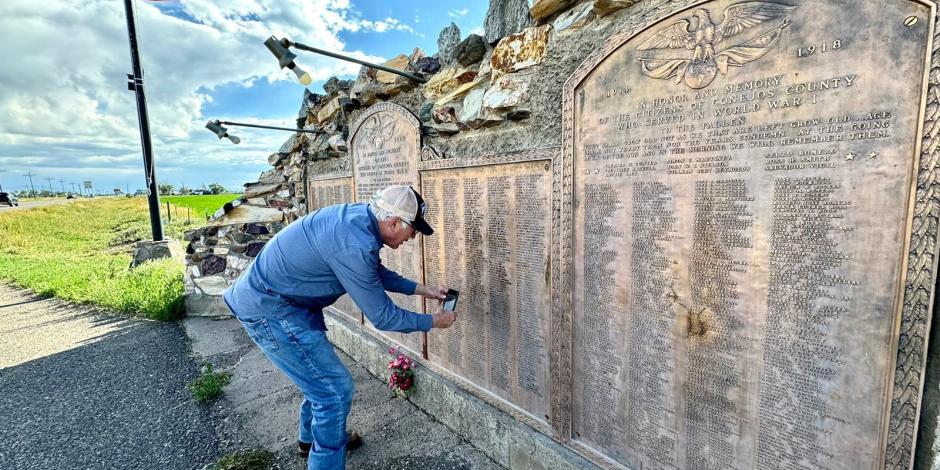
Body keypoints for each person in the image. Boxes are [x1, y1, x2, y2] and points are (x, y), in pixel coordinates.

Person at [223, 185, 457, 470]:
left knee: (319, 381)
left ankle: (310, 440)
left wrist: (422, 290)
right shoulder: (354, 244)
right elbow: (384, 317)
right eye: (414, 230)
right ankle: (324, 458)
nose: (413, 238)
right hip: (271, 310)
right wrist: (433, 321)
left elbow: (372, 271)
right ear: (394, 223)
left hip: (276, 301)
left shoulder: (360, 220)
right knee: (333, 391)